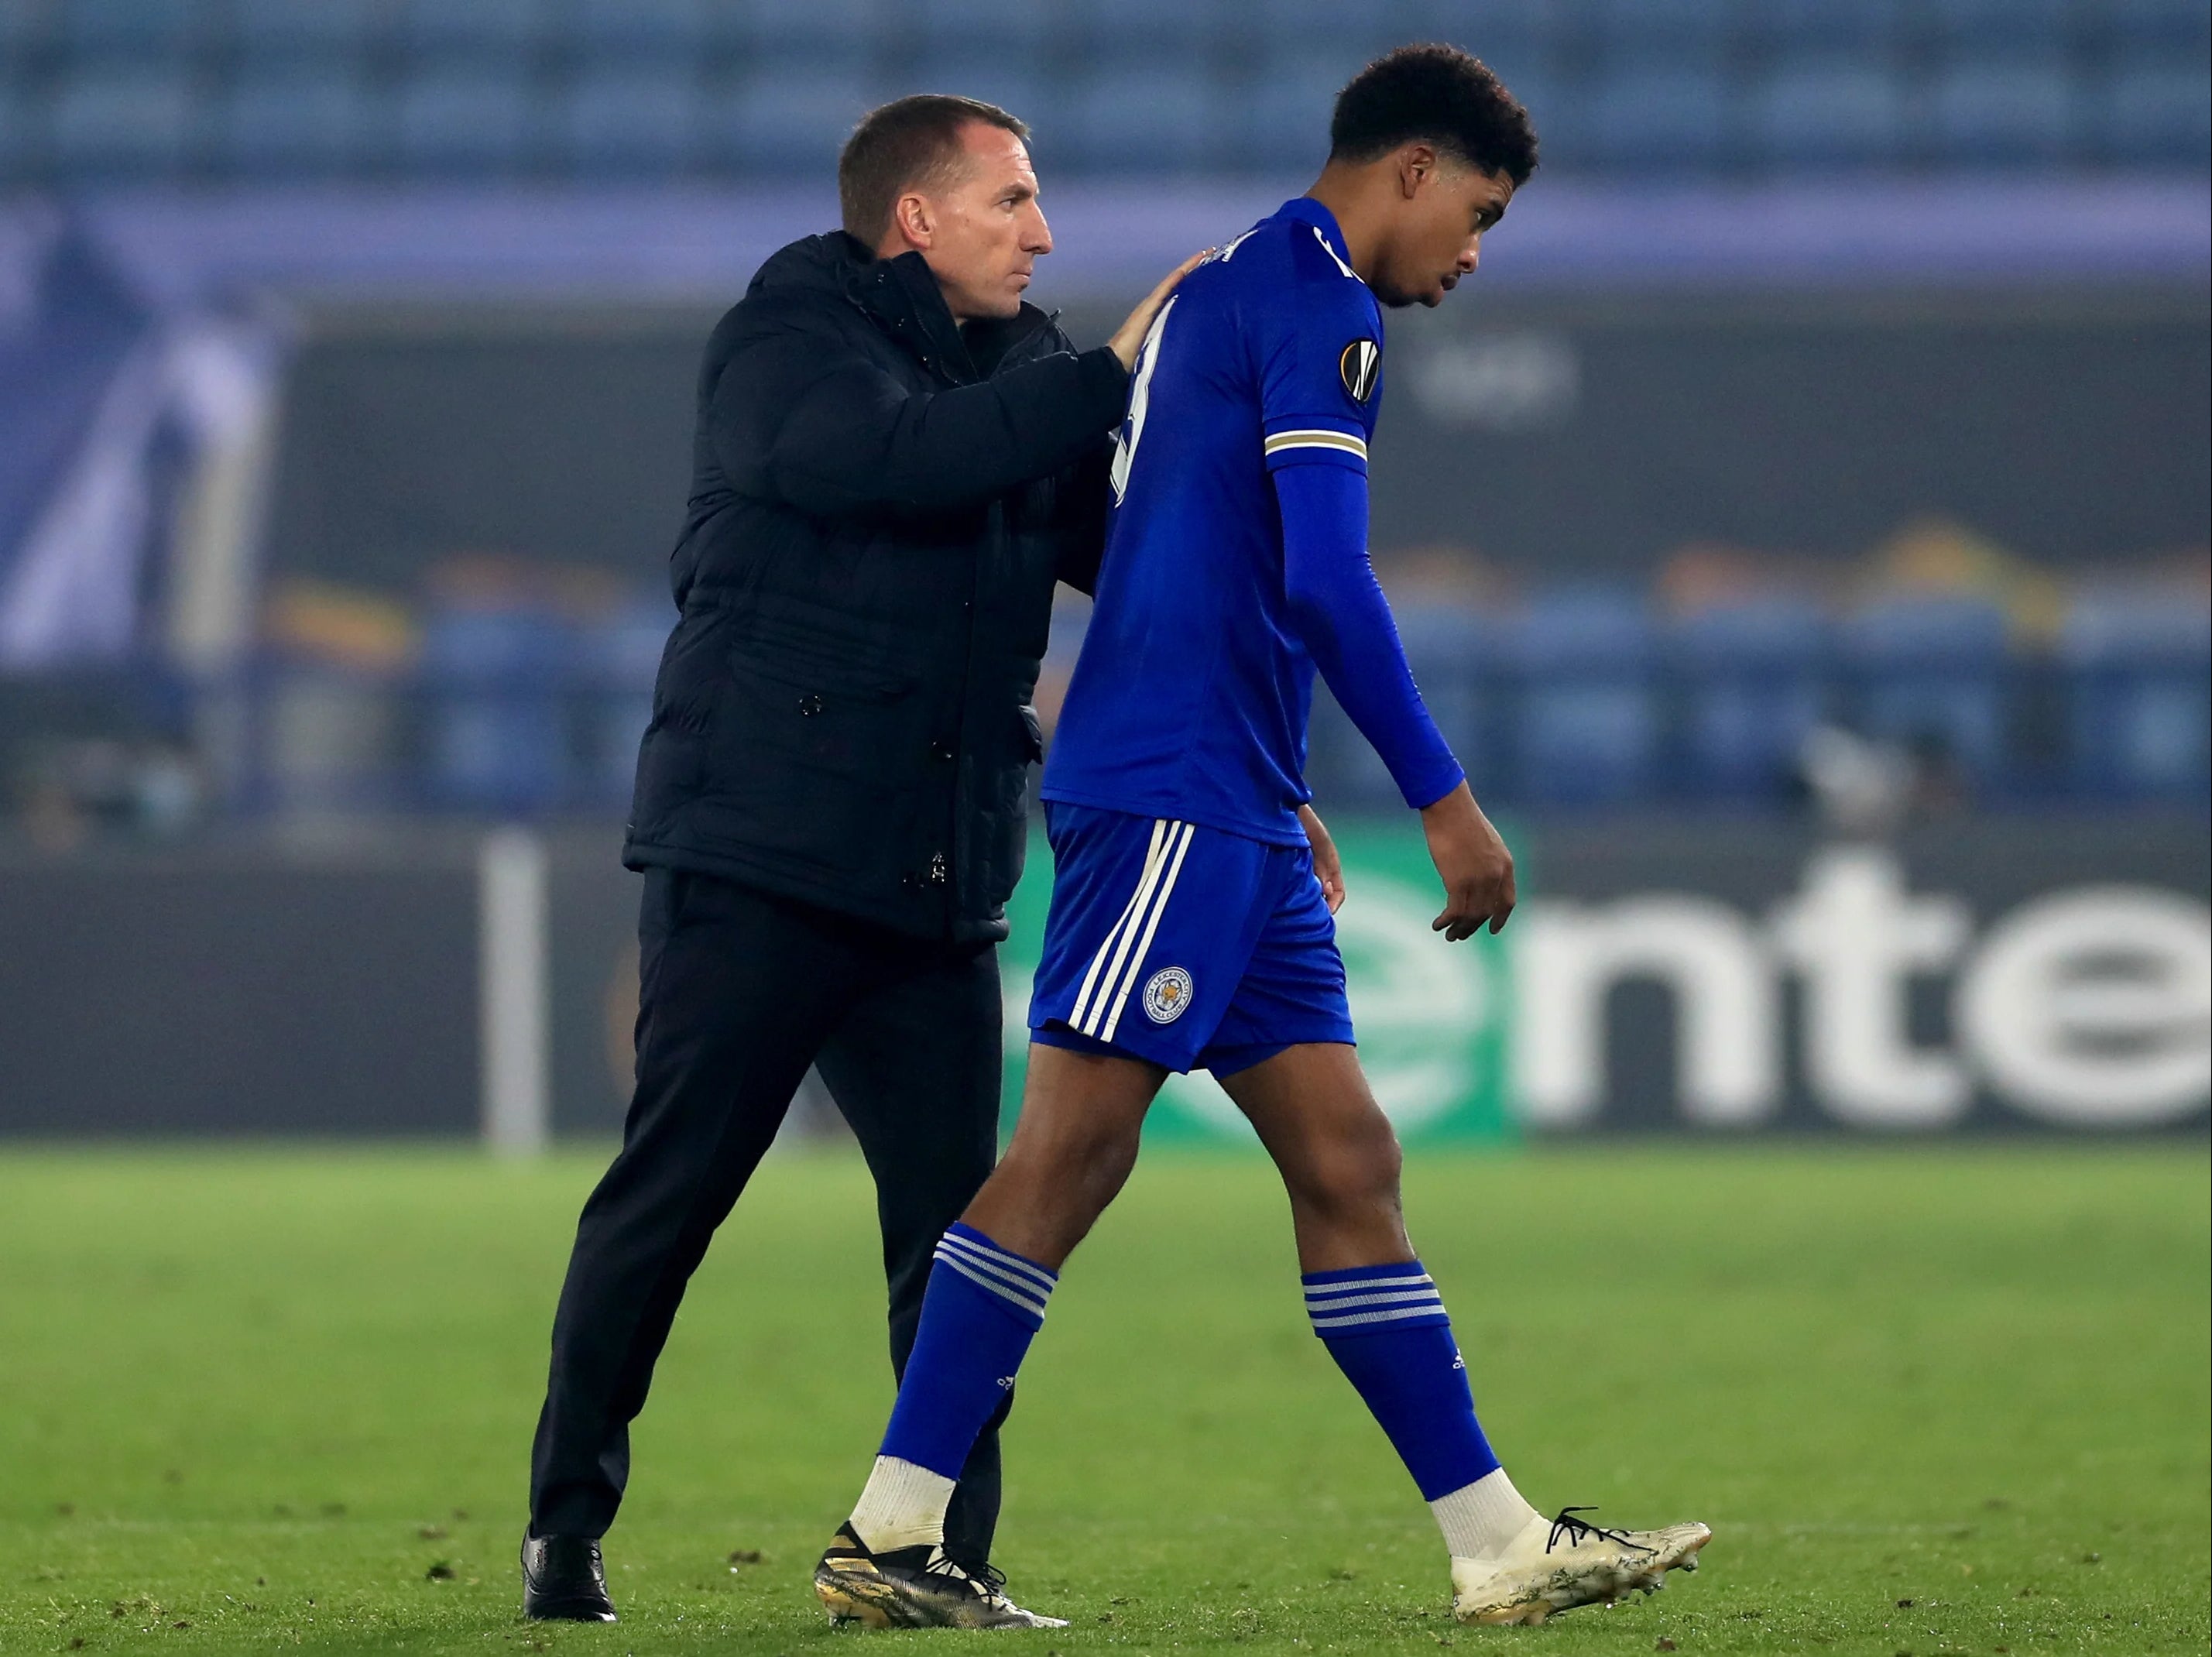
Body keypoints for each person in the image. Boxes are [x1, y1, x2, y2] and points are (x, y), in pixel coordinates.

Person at [809, 47, 1710, 1631]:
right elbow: (1322, 578)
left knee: (1349, 1159)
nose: (1475, 252)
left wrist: (1275, 771)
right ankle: (891, 1529)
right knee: (1068, 1153)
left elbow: (1186, 550)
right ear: (1413, 172)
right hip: (1172, 792)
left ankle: (1496, 1538)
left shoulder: (1235, 285)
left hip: (1225, 790)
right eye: (1479, 212)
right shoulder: (1315, 306)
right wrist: (1441, 794)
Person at [520, 94, 1201, 1624]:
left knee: (968, 1239)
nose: (1043, 230)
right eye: (1014, 200)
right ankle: (564, 1520)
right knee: (672, 1195)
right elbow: (882, 460)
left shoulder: (1029, 371)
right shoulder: (787, 336)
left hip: (933, 882)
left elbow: (1136, 558)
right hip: (760, 855)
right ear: (916, 219)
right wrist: (1105, 378)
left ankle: (935, 1547)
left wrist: (1249, 444)